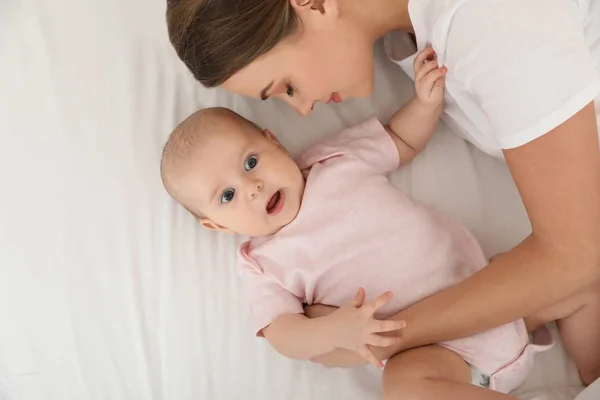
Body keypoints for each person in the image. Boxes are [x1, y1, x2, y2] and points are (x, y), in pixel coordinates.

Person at [165, 0, 600, 385]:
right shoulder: (262, 264)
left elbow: (579, 255)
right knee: (408, 385)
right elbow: (284, 333)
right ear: (215, 224)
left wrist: (375, 338)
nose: (301, 109)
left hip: (493, 291)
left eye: (288, 86)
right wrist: (325, 335)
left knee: (588, 291)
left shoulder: (489, 20)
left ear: (312, 4)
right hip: (448, 346)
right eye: (227, 197)